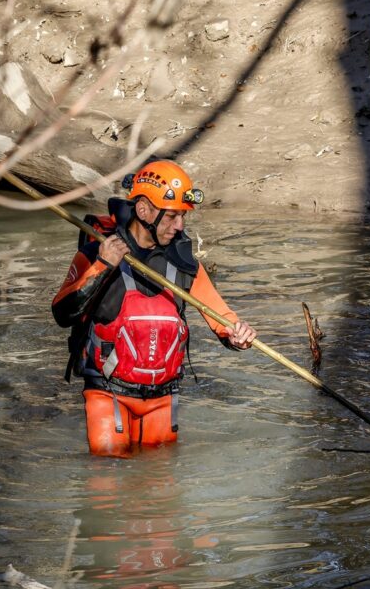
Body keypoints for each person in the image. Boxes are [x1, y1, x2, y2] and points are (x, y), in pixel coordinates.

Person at [52, 160, 257, 457]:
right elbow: (62, 313)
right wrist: (101, 266)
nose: (180, 226)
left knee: (160, 494)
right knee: (105, 488)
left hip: (163, 398)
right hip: (108, 394)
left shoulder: (186, 266)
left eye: (182, 217)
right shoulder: (96, 252)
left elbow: (221, 318)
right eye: (172, 216)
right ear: (144, 210)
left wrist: (237, 336)